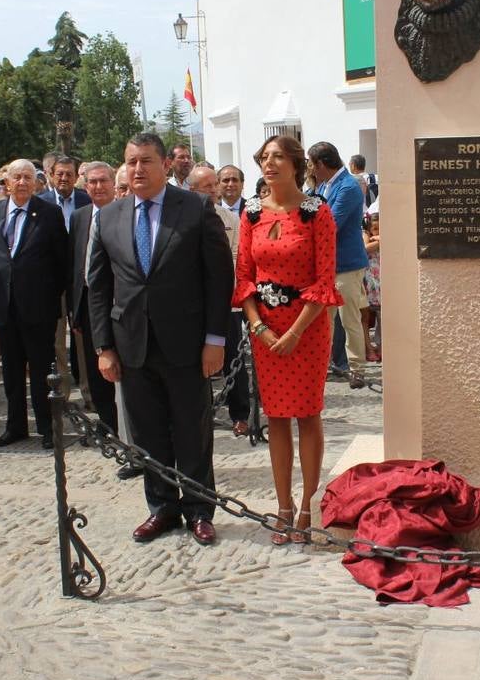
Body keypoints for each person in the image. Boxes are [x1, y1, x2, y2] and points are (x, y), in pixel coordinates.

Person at [88, 132, 233, 546]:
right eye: (131, 161)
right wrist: (104, 347)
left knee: (192, 429)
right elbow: (97, 287)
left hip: (187, 344)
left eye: (146, 161)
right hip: (132, 345)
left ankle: (200, 508)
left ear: (164, 165)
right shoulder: (110, 216)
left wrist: (215, 339)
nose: (138, 169)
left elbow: (218, 277)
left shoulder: (195, 208)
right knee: (148, 432)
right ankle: (162, 508)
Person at [234, 135, 341, 543]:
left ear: (297, 164)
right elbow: (243, 276)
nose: (269, 163)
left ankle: (308, 506)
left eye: (278, 156)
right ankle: (282, 505)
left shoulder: (318, 213)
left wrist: (296, 331)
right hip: (265, 328)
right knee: (276, 417)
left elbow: (324, 278)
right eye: (264, 157)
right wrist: (259, 326)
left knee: (308, 414)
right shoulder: (251, 213)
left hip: (308, 330)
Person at [0, 158, 69, 448]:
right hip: (4, 306)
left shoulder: (49, 213)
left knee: (42, 369)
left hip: (38, 306)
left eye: (27, 177)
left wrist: (49, 296)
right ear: (5, 180)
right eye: (16, 177)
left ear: (36, 182)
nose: (21, 182)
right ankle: (15, 425)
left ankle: (47, 428)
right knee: (11, 370)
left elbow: (61, 262)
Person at [67, 161, 126, 457]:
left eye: (104, 181)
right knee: (96, 369)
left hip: (120, 304)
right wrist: (74, 311)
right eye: (92, 182)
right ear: (85, 186)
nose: (98, 186)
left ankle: (131, 433)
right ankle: (107, 428)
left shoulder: (123, 214)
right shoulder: (79, 218)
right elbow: (75, 266)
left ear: (114, 185)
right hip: (90, 305)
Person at [191, 164, 250, 435]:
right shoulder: (181, 217)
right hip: (191, 304)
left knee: (232, 360)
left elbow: (237, 259)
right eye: (208, 186)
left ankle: (241, 414)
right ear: (192, 190)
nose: (215, 190)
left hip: (225, 302)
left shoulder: (230, 218)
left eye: (215, 184)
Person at [307, 141, 370, 388]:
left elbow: (329, 224)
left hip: (347, 264)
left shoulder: (349, 187)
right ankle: (322, 366)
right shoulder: (324, 184)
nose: (311, 169)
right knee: (324, 320)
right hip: (327, 265)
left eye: (312, 165)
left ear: (322, 164)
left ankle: (357, 369)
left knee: (349, 319)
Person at [38, 155, 92, 395]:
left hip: (82, 279)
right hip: (52, 282)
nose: (64, 178)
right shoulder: (40, 203)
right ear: (51, 174)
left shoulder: (86, 200)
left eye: (69, 174)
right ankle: (62, 393)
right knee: (58, 340)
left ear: (76, 177)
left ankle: (89, 390)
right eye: (60, 173)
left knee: (83, 338)